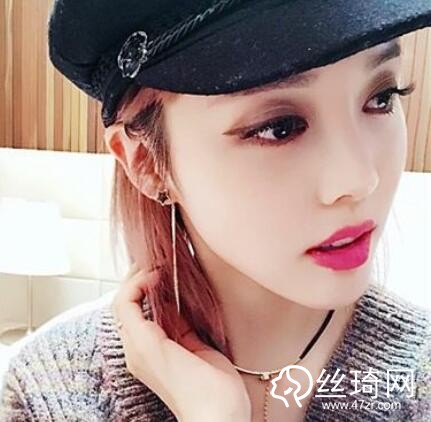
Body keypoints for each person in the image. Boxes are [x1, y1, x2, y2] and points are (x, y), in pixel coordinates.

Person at [1, 1, 431, 421]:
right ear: (147, 164)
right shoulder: (45, 395)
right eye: (278, 128)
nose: (359, 180)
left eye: (381, 98)